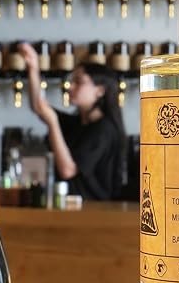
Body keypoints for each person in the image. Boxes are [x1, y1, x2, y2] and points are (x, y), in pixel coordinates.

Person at [18, 42, 126, 200]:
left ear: (99, 91)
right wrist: (33, 67)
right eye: (72, 81)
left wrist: (53, 124)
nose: (70, 87)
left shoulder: (104, 130)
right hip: (71, 205)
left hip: (94, 210)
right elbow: (38, 106)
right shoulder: (78, 122)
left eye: (79, 82)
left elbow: (68, 170)